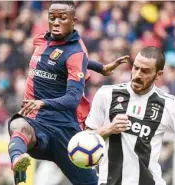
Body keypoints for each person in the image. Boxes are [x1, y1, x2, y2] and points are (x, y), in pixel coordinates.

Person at [7, 1, 129, 185]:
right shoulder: (41, 40)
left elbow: (72, 99)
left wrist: (43, 102)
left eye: (62, 18)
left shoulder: (75, 53)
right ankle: (18, 162)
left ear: (74, 20)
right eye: (52, 17)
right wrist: (101, 68)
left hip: (65, 132)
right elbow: (67, 59)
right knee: (17, 124)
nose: (56, 22)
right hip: (36, 122)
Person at [86, 46, 175, 185]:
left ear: (159, 74)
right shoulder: (106, 94)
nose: (137, 75)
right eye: (135, 68)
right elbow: (86, 138)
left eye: (145, 71)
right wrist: (108, 129)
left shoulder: (168, 103)